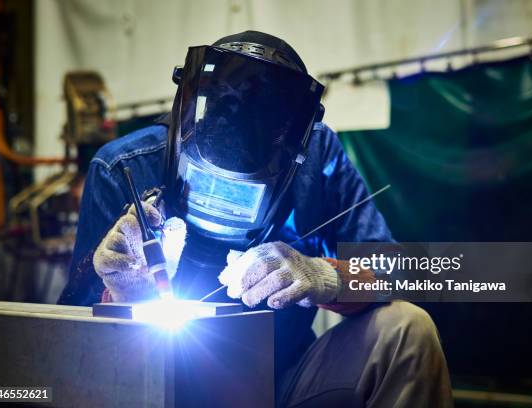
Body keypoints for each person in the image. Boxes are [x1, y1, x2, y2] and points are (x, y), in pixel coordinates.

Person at [58, 31, 452, 407]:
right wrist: (128, 293)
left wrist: (323, 276)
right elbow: (75, 348)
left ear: (290, 146)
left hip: (282, 382)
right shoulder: (123, 167)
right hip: (159, 384)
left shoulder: (319, 155)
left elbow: (399, 271)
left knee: (407, 329)